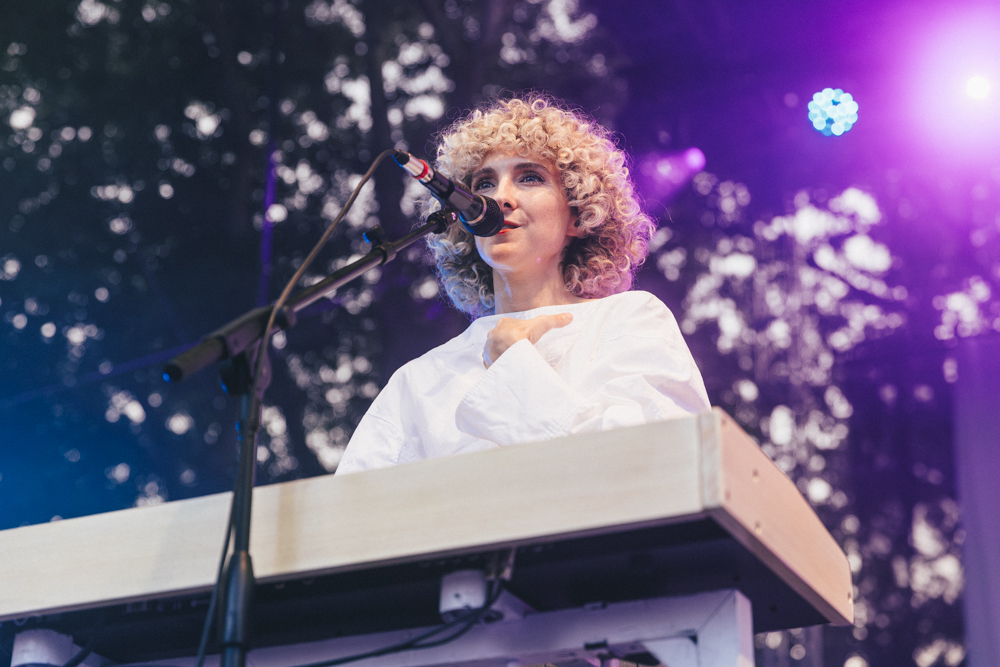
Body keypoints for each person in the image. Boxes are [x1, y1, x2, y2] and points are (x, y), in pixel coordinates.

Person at [335, 95, 709, 475]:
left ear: (578, 214)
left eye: (530, 177)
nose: (500, 197)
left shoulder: (629, 320)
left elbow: (663, 464)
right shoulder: (420, 380)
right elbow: (354, 503)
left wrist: (512, 363)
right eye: (484, 183)